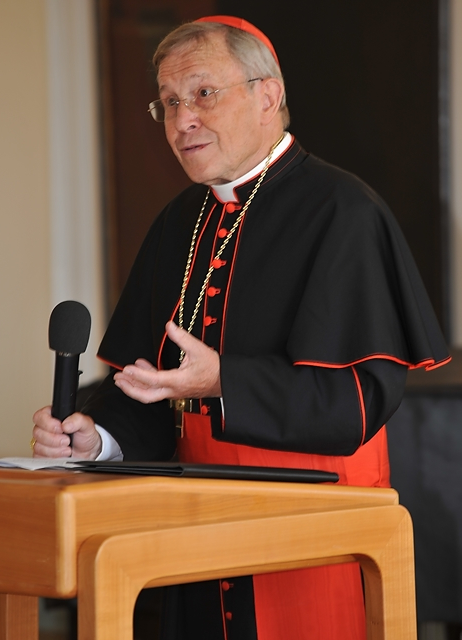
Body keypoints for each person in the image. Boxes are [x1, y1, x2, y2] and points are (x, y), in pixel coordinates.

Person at [32, 15, 450, 640]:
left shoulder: (344, 213)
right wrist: (95, 440)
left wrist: (223, 380)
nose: (182, 120)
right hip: (196, 534)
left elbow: (357, 405)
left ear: (268, 96)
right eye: (169, 102)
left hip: (313, 536)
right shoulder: (178, 222)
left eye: (203, 93)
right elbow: (147, 392)